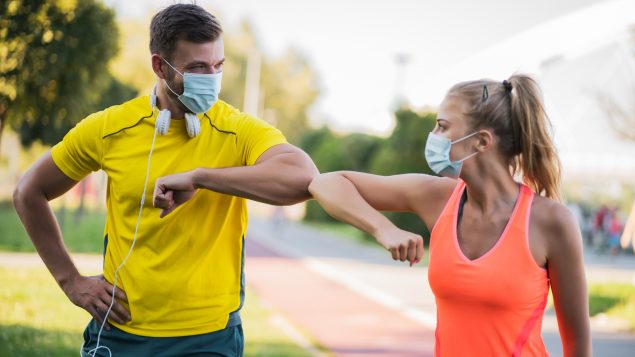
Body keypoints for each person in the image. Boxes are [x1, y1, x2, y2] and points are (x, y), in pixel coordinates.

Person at [13, 4, 317, 356]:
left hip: (209, 337)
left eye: (218, 66)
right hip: (119, 331)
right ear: (160, 65)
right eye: (198, 68)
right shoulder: (110, 127)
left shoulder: (237, 129)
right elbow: (28, 192)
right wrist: (71, 282)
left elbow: (302, 178)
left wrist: (201, 178)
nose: (212, 79)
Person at [309, 75, 590, 356]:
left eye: (442, 127)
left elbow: (577, 343)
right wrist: (384, 229)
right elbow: (326, 184)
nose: (433, 136)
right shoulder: (437, 197)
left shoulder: (552, 221)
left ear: (481, 141)